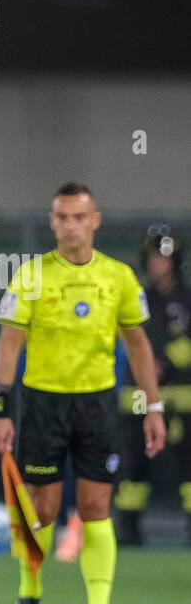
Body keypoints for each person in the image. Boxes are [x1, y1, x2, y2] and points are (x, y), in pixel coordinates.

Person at [0, 182, 165, 604]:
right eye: (62, 217)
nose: (70, 226)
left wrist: (153, 406)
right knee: (42, 509)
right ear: (52, 222)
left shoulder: (119, 277)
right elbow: (9, 346)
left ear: (94, 220)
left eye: (79, 217)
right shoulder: (31, 275)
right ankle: (29, 593)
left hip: (98, 405)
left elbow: (139, 346)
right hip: (43, 403)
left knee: (96, 507)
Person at [115, 226, 191, 546]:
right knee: (133, 465)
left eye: (163, 258)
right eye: (152, 257)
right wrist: (143, 367)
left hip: (181, 397)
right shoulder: (138, 297)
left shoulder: (187, 299)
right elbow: (126, 338)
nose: (157, 263)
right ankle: (128, 530)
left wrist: (164, 364)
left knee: (187, 467)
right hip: (138, 397)